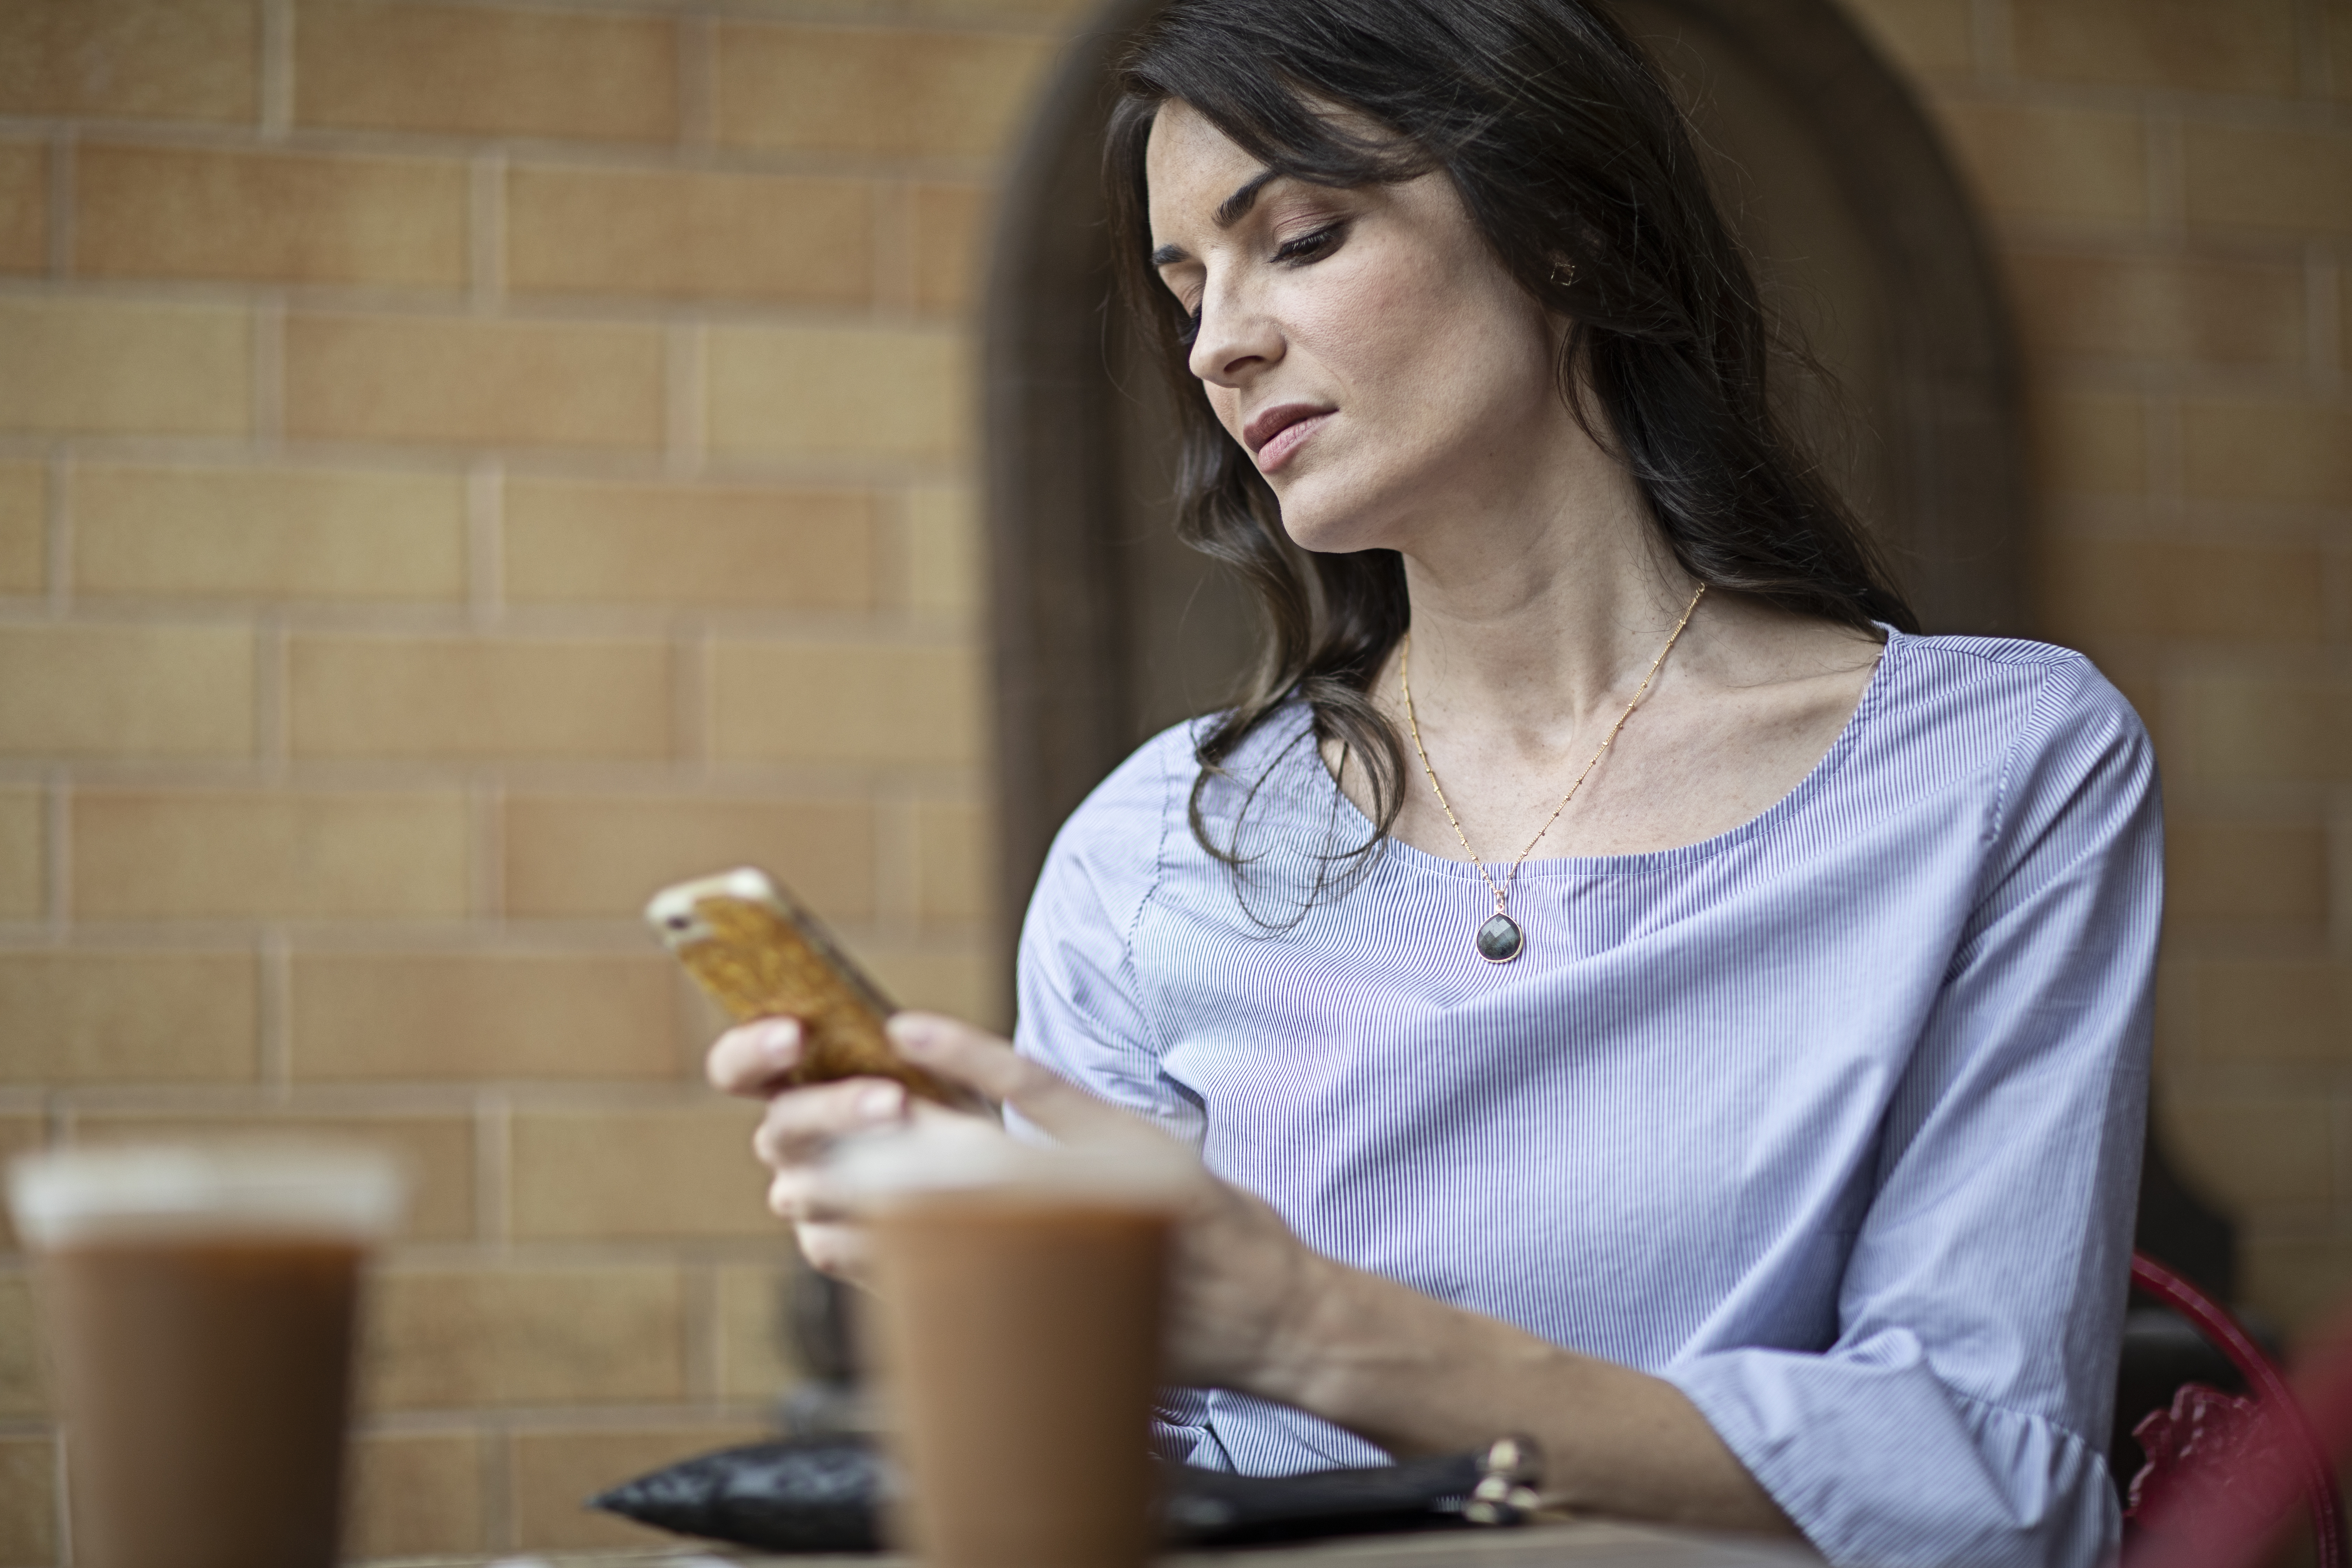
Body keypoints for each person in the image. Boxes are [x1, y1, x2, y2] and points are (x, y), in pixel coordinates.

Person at [707, 1, 2161, 1563]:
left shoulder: (2002, 769)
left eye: (1303, 239)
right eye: (1185, 286)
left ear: (1574, 241)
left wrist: (1312, 1326)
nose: (1218, 343)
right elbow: (1110, 1484)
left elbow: (1993, 1487)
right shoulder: (1153, 851)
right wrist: (987, 1271)